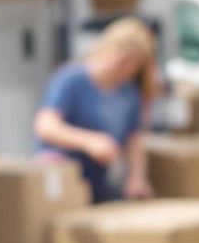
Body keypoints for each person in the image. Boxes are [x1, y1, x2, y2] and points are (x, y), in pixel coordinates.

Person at [33, 16, 159, 204]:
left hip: (100, 181)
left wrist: (136, 178)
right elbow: (45, 126)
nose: (123, 66)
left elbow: (134, 140)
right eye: (122, 57)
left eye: (132, 63)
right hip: (64, 177)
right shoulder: (71, 79)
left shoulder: (129, 93)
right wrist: (89, 141)